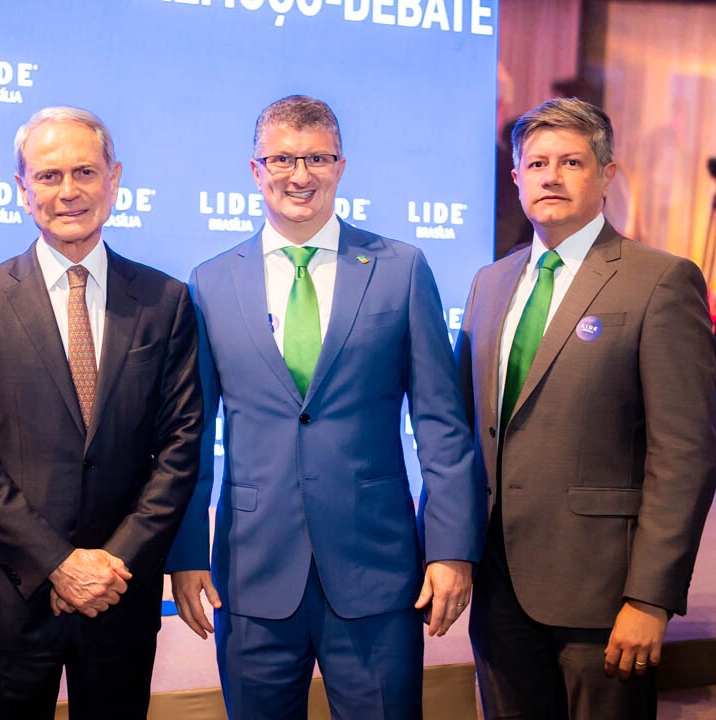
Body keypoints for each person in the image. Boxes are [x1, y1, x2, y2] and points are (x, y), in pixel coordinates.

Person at [167, 95, 484, 719]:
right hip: (253, 571)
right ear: (255, 171)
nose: (300, 175)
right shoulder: (209, 283)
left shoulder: (401, 270)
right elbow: (193, 436)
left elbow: (441, 427)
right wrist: (186, 553)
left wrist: (451, 548)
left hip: (377, 568)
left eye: (317, 157)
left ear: (341, 166)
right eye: (282, 159)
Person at [457, 97, 716, 719]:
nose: (551, 175)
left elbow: (686, 454)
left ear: (606, 174)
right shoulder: (489, 283)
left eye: (571, 161)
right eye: (537, 162)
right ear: (516, 177)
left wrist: (650, 598)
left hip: (604, 598)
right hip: (498, 589)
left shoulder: (660, 280)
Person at [0, 106, 202, 720]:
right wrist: (58, 564)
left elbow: (182, 444)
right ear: (22, 190)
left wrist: (111, 565)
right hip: (11, 596)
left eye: (85, 171)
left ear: (114, 179)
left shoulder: (165, 301)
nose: (69, 191)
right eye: (49, 175)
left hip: (121, 594)